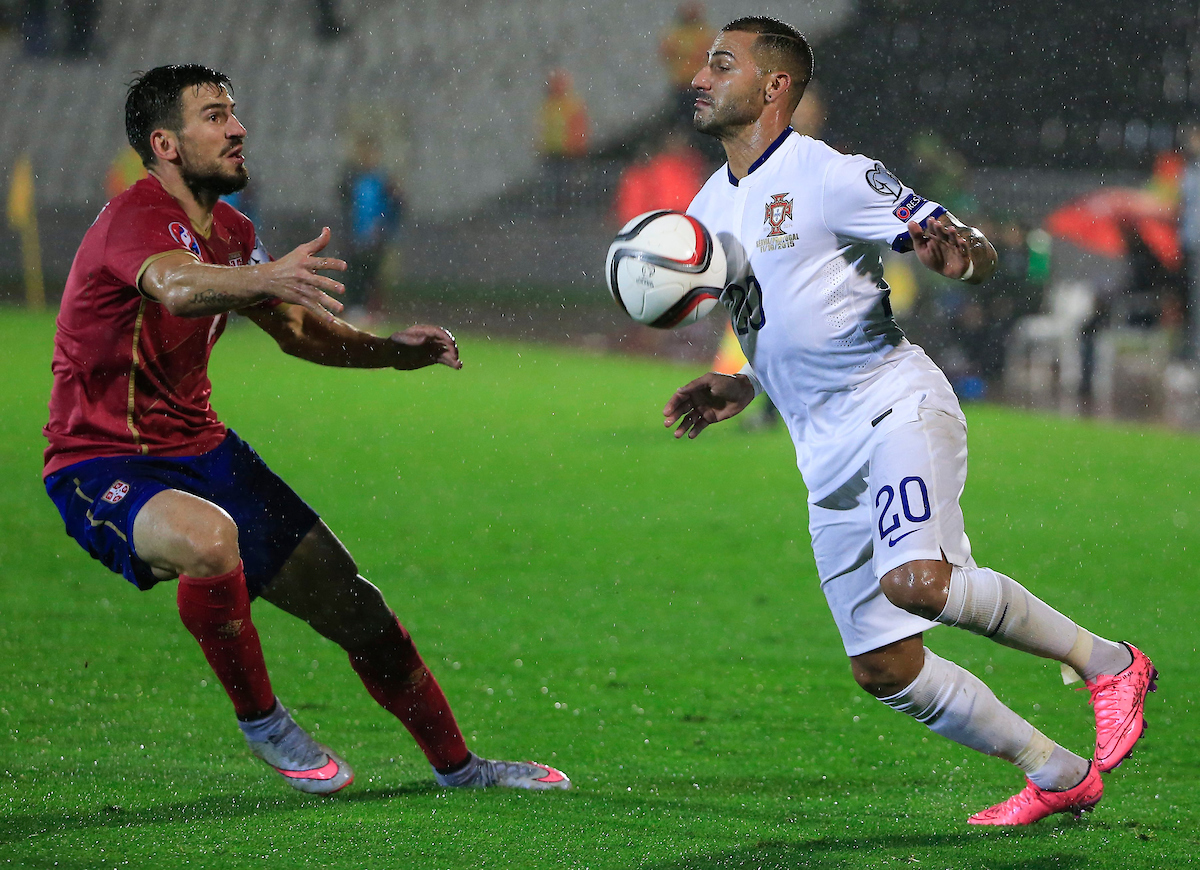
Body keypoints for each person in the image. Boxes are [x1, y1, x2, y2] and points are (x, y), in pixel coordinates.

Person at [660, 18, 1155, 825]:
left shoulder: (833, 176)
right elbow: (784, 314)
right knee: (886, 667)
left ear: (775, 85)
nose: (700, 77)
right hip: (823, 455)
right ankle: (1058, 771)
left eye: (722, 64)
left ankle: (1109, 663)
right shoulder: (708, 203)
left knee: (917, 584)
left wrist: (960, 252)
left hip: (894, 405)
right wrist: (743, 383)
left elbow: (960, 242)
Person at [43, 65, 570, 796]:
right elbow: (176, 285)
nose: (238, 128)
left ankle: (461, 769)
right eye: (215, 116)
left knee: (357, 605)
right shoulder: (134, 217)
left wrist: (393, 354)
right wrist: (262, 278)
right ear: (165, 143)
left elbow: (298, 333)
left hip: (204, 450)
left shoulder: (232, 231)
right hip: (97, 461)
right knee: (208, 539)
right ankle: (263, 722)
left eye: (235, 112)